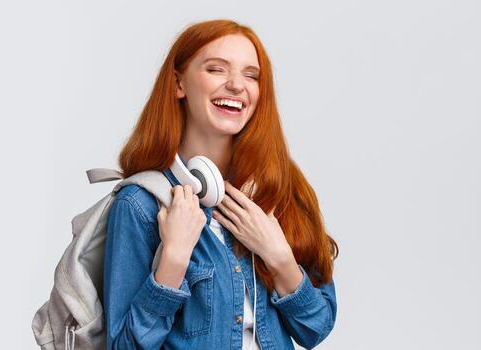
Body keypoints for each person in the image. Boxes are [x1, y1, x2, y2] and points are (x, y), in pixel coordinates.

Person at [102, 19, 338, 350]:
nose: (237, 85)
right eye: (216, 69)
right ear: (179, 83)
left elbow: (316, 327)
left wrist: (278, 256)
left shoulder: (280, 189)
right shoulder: (140, 205)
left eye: (251, 76)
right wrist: (173, 259)